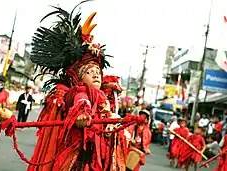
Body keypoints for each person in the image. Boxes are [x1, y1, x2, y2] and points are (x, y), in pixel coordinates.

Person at [24, 2, 146, 170]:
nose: (96, 74)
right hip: (77, 154)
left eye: (98, 71)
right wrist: (81, 115)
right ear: (79, 78)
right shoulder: (76, 92)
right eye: (90, 71)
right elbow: (81, 102)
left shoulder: (106, 95)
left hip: (98, 156)